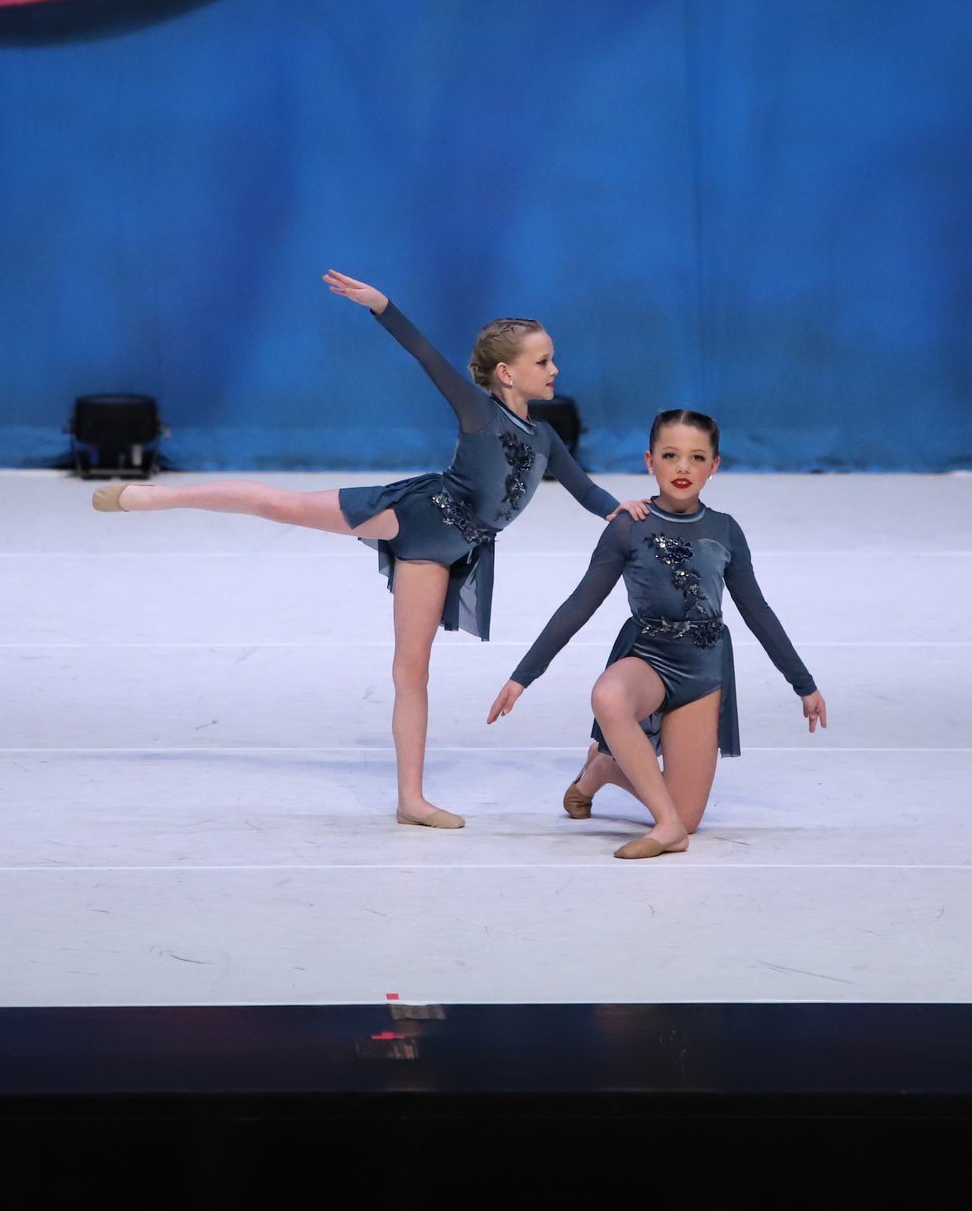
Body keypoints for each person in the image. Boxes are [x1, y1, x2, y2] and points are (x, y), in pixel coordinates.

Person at [95, 270, 636, 828]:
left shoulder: (544, 438)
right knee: (281, 506)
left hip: (444, 554)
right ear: (506, 372)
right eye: (543, 361)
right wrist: (383, 306)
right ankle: (162, 497)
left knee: (412, 673)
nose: (555, 370)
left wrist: (621, 510)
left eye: (552, 360)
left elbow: (585, 489)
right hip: (413, 517)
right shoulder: (479, 412)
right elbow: (426, 355)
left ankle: (411, 802)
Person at [487, 408, 826, 859]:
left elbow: (757, 611)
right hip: (646, 659)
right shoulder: (629, 525)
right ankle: (667, 828)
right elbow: (579, 604)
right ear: (650, 461)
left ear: (714, 466)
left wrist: (803, 684)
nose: (682, 468)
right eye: (670, 455)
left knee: (688, 816)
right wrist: (522, 676)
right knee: (609, 696)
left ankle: (605, 770)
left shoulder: (725, 530)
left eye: (696, 457)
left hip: (702, 672)